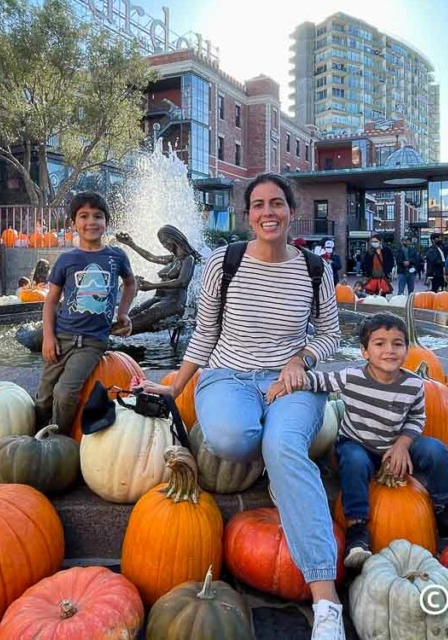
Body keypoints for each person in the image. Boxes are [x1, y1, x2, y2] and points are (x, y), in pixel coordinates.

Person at [136, 172, 345, 640]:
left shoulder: (315, 268)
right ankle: (278, 466)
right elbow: (205, 333)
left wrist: (302, 358)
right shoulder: (222, 262)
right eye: (258, 205)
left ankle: (326, 603)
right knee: (232, 437)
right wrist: (175, 386)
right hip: (227, 376)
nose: (268, 212)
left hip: (290, 381)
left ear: (291, 211)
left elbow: (331, 334)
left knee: (286, 446)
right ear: (247, 214)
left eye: (276, 203)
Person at [266, 312, 448, 568]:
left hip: (395, 446)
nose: (389, 350)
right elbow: (317, 381)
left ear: (406, 350)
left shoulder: (414, 385)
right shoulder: (352, 377)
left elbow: (417, 419)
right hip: (357, 445)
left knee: (435, 450)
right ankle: (357, 529)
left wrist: (403, 444)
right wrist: (285, 384)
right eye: (379, 343)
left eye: (397, 343)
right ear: (364, 351)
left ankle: (446, 510)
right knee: (354, 460)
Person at [36, 192, 137, 434]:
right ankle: (37, 438)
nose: (91, 221)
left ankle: (59, 440)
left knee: (65, 392)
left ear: (106, 223)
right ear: (74, 224)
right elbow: (50, 302)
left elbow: (131, 283)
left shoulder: (116, 256)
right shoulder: (67, 260)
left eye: (98, 216)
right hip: (62, 338)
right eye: (84, 216)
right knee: (44, 395)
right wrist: (48, 337)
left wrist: (123, 313)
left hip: (92, 341)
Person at [115, 226, 199, 334]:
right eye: (162, 243)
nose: (164, 245)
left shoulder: (188, 259)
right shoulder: (173, 259)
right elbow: (151, 257)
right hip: (158, 298)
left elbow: (182, 282)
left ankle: (104, 339)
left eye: (165, 241)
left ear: (174, 237)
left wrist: (152, 286)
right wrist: (131, 244)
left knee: (136, 321)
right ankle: (109, 339)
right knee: (131, 314)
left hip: (172, 303)